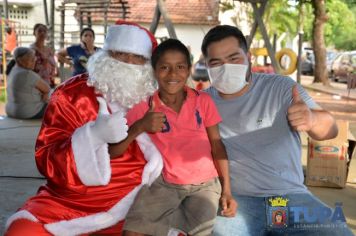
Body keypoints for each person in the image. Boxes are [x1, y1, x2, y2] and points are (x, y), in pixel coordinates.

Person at [5, 21, 163, 235]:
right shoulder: (69, 94)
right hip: (73, 198)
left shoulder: (160, 97)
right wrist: (93, 136)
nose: (128, 62)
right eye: (120, 54)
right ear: (106, 55)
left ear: (148, 64)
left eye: (137, 58)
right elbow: (46, 159)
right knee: (22, 231)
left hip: (139, 197)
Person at [200, 25, 353, 236]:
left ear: (249, 58)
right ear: (206, 66)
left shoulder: (280, 88)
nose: (226, 68)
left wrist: (311, 119)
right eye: (216, 63)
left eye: (234, 59)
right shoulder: (202, 102)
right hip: (236, 202)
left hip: (289, 197)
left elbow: (330, 129)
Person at [119, 39, 237, 236]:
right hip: (164, 183)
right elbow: (113, 150)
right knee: (131, 233)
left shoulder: (203, 101)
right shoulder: (144, 106)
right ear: (154, 70)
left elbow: (217, 145)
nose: (173, 74)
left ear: (189, 69)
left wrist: (227, 190)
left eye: (180, 67)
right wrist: (139, 126)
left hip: (205, 185)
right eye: (164, 67)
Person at [5, 47, 50, 119]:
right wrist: (45, 94)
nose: (34, 61)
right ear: (20, 61)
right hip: (27, 112)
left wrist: (45, 94)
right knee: (58, 102)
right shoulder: (27, 74)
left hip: (10, 110)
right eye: (31, 59)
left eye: (34, 58)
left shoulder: (13, 70)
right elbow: (47, 89)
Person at [30, 23, 57, 88]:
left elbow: (54, 66)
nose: (42, 33)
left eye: (44, 31)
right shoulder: (31, 50)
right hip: (36, 82)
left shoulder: (49, 50)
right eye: (39, 31)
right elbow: (29, 68)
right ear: (34, 33)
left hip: (50, 81)